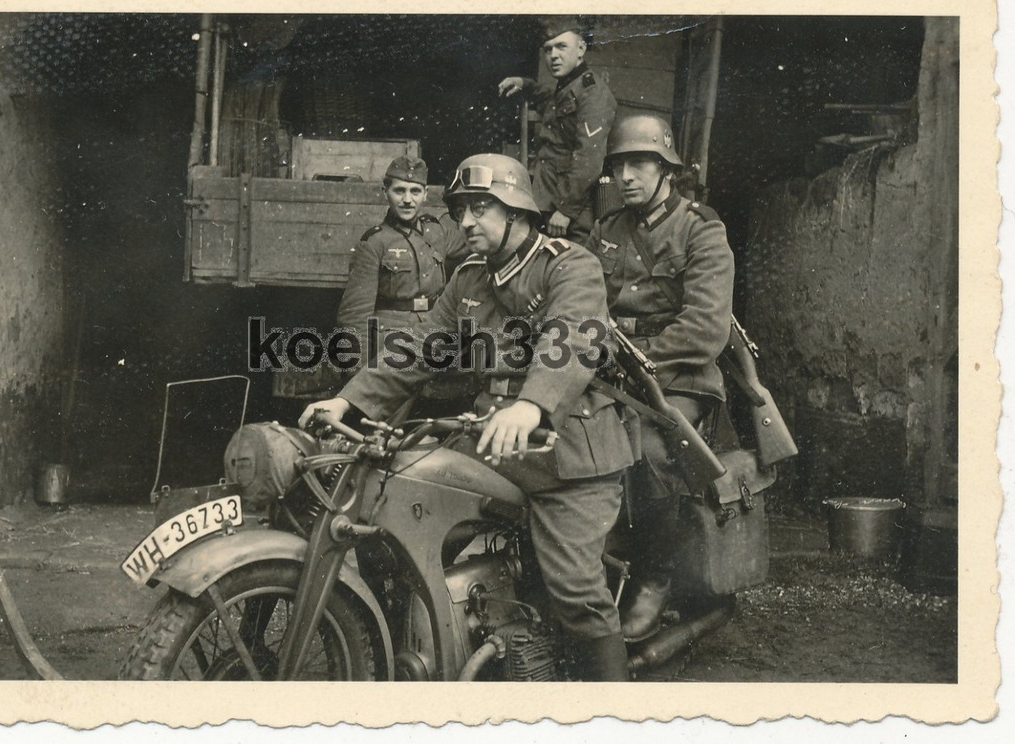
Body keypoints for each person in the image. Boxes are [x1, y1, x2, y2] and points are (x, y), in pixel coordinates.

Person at [302, 153, 635, 681]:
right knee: (396, 508)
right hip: (489, 442)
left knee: (575, 589)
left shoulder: (569, 264)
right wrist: (349, 400)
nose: (465, 222)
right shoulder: (470, 278)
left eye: (480, 208)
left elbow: (572, 335)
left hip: (567, 454)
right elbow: (416, 349)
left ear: (518, 211)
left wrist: (532, 403)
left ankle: (611, 712)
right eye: (461, 210)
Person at [586, 114, 736, 642]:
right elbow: (580, 299)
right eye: (618, 165)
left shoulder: (701, 229)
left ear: (666, 168)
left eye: (639, 163)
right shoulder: (605, 230)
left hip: (680, 376)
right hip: (612, 368)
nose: (626, 176)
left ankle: (656, 576)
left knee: (647, 448)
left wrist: (640, 357)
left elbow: (705, 329)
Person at [497, 18, 618, 246]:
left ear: (581, 49)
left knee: (571, 269)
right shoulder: (567, 87)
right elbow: (549, 99)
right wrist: (524, 83)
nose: (553, 55)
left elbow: (589, 159)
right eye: (548, 49)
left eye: (562, 47)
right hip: (548, 201)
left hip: (574, 213)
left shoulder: (593, 95)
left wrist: (565, 210)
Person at [336, 155, 467, 339]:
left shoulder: (438, 232)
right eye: (399, 191)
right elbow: (354, 317)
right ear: (385, 191)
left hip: (434, 334)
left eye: (415, 191)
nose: (407, 199)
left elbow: (477, 243)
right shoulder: (374, 243)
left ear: (425, 194)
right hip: (390, 341)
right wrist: (367, 365)